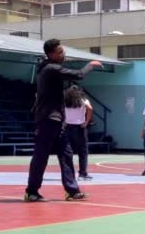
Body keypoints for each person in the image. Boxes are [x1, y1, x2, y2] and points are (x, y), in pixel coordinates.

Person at [25, 38, 102, 202]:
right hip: (47, 120)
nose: (63, 54)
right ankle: (31, 191)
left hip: (58, 121)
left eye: (63, 51)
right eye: (60, 52)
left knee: (66, 155)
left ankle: (72, 191)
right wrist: (91, 65)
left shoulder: (47, 67)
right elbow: (79, 74)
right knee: (41, 156)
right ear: (51, 54)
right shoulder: (51, 68)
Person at [64, 85, 93, 181]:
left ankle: (69, 173)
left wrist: (63, 121)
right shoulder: (83, 100)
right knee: (83, 152)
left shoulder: (65, 101)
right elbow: (90, 108)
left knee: (68, 152)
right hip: (80, 127)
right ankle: (82, 173)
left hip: (68, 127)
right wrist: (87, 121)